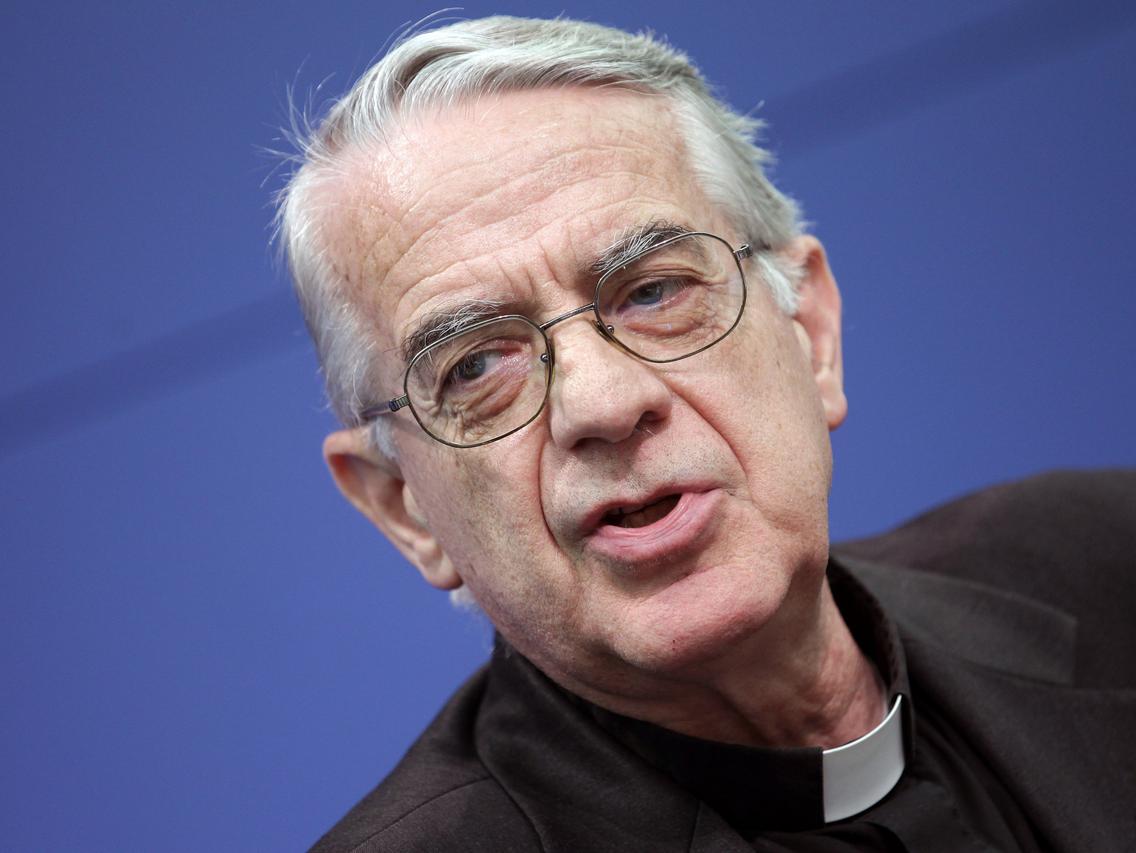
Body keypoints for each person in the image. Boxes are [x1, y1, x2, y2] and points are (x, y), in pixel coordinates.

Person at [273, 16, 1135, 852]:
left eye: (653, 292)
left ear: (813, 335)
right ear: (405, 508)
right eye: (475, 366)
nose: (604, 402)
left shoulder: (1102, 554)